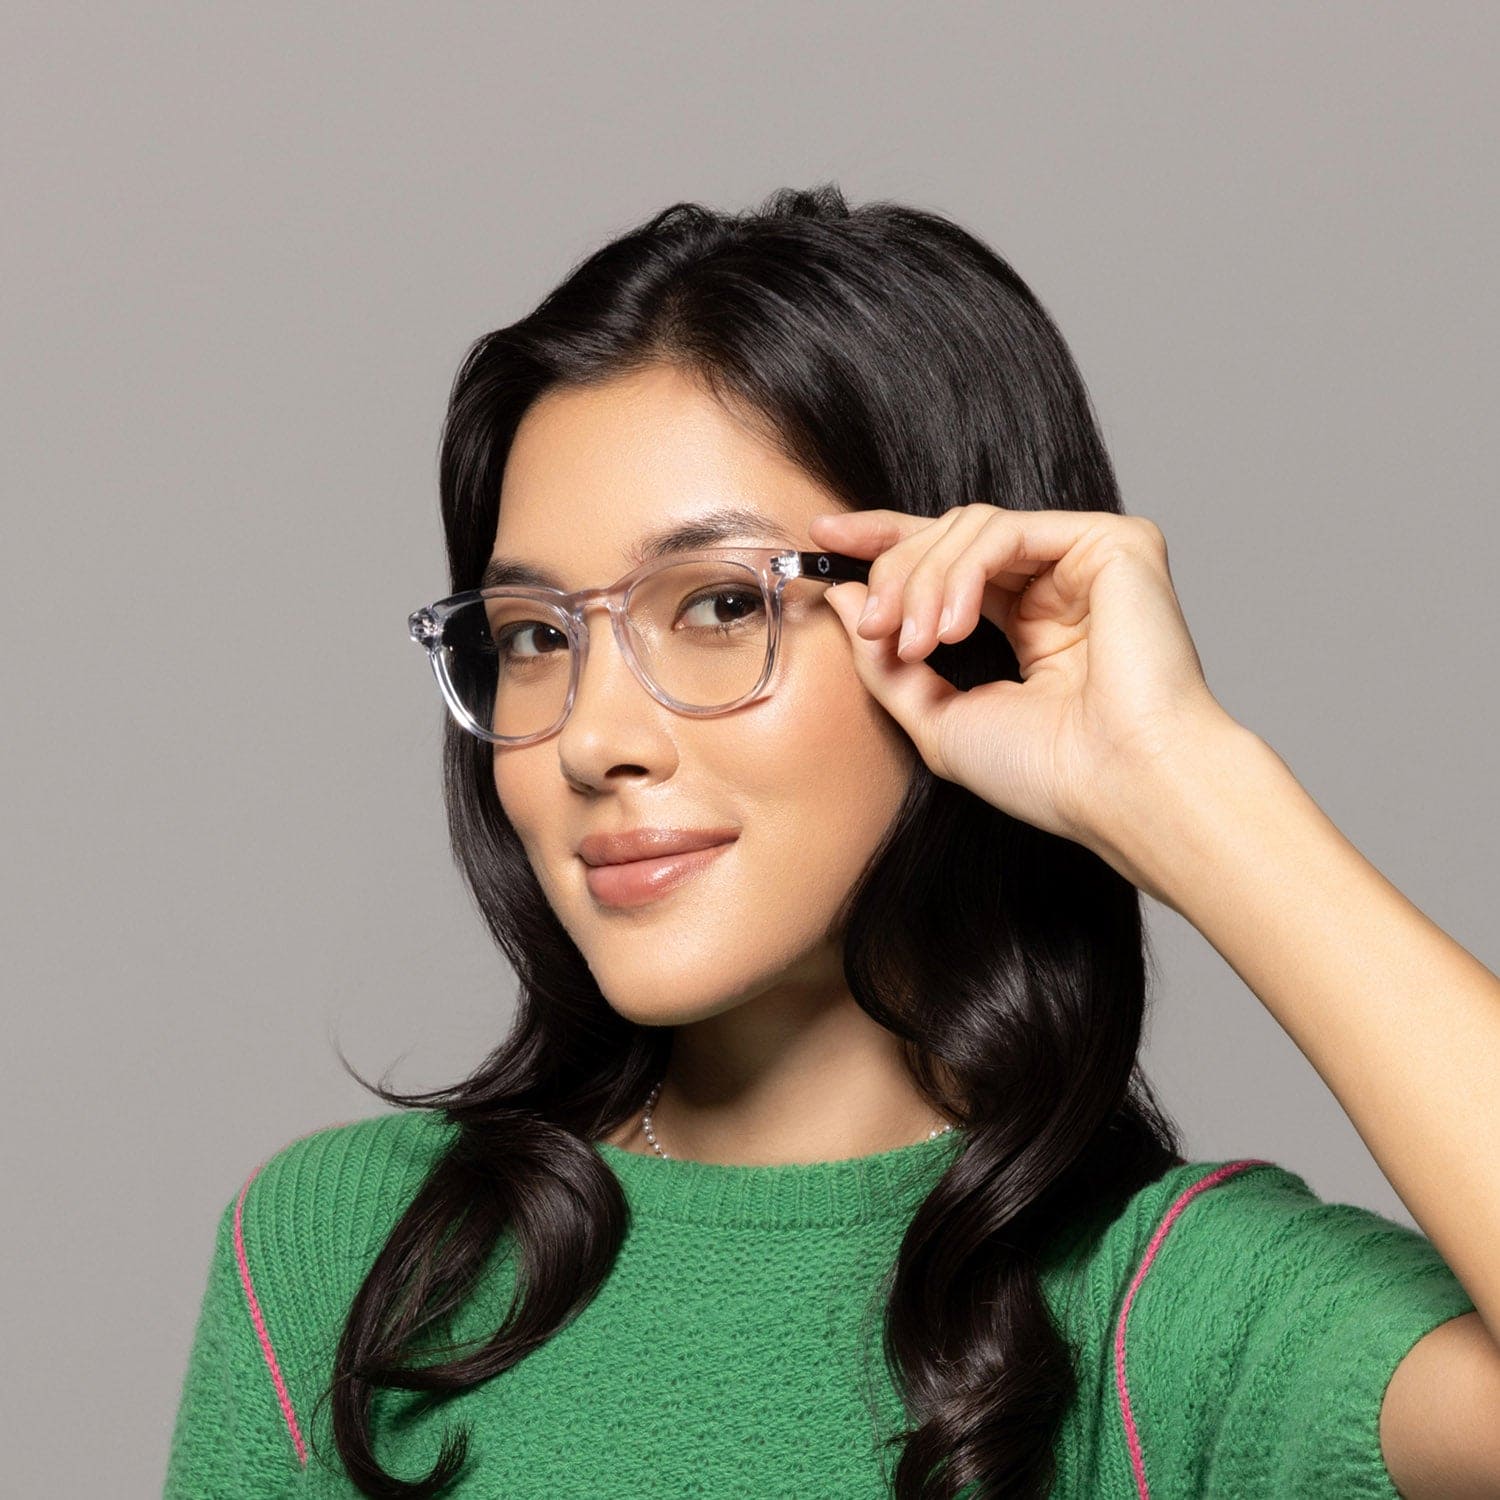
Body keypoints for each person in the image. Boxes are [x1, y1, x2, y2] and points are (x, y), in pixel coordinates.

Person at [164, 185, 1500, 1499]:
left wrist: (1180, 785)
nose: (589, 738)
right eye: (533, 637)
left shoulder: (1172, 1318)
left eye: (720, 604)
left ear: (950, 626)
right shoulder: (350, 1262)